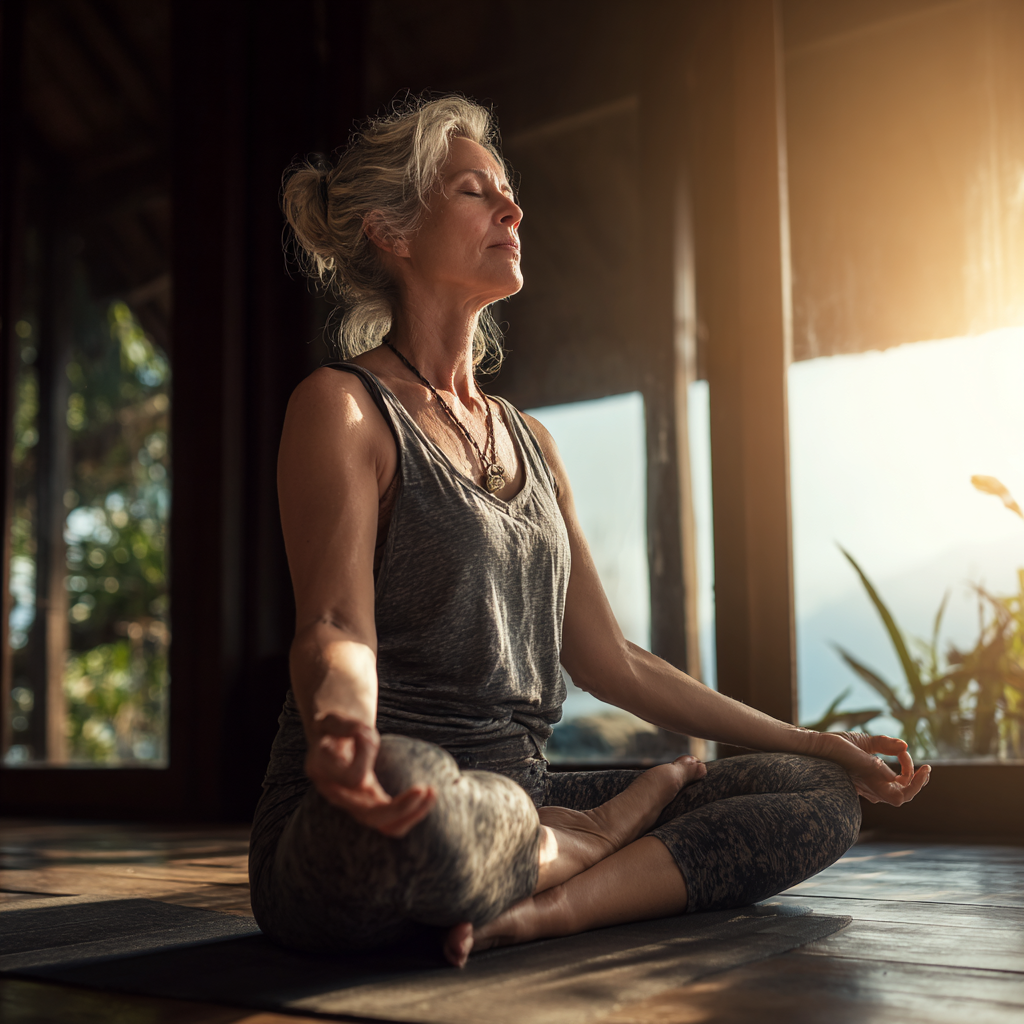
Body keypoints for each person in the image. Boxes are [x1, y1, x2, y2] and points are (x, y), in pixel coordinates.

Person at [248, 95, 929, 969]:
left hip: (519, 801)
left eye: (508, 191)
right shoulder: (344, 409)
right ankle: (599, 834)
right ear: (393, 230)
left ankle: (546, 909)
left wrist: (809, 739)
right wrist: (344, 730)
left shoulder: (533, 443)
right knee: (423, 797)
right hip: (368, 815)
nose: (511, 208)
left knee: (819, 797)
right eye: (473, 190)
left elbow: (612, 660)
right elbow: (337, 628)